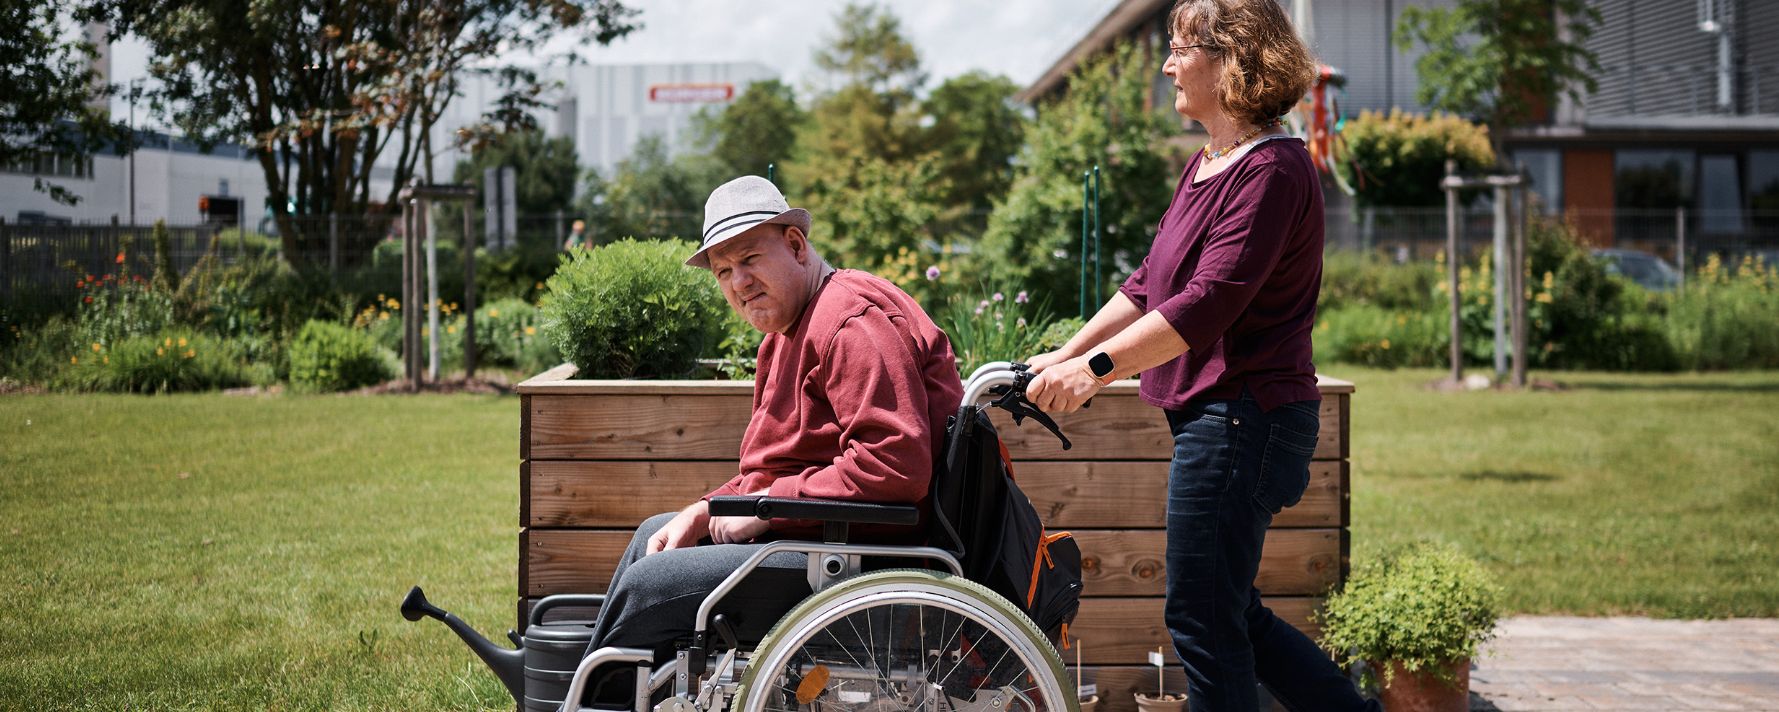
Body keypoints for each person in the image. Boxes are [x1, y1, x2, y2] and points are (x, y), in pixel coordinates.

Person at [1023, 1, 1380, 710]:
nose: (1167, 64)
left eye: (1180, 47)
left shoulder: (1272, 172)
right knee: (1228, 609)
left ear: (1233, 58)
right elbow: (1147, 285)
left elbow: (1207, 303)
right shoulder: (1210, 163)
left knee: (1203, 615)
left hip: (1247, 417)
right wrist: (1057, 355)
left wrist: (1091, 374)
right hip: (1219, 419)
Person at [579, 175, 963, 664]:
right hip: (820, 539)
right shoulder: (783, 336)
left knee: (651, 587)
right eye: (723, 271)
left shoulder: (851, 322)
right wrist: (710, 508)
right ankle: (582, 685)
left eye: (749, 259)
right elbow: (776, 465)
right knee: (656, 537)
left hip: (864, 561)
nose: (738, 282)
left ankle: (588, 695)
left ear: (796, 246)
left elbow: (893, 466)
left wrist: (766, 508)